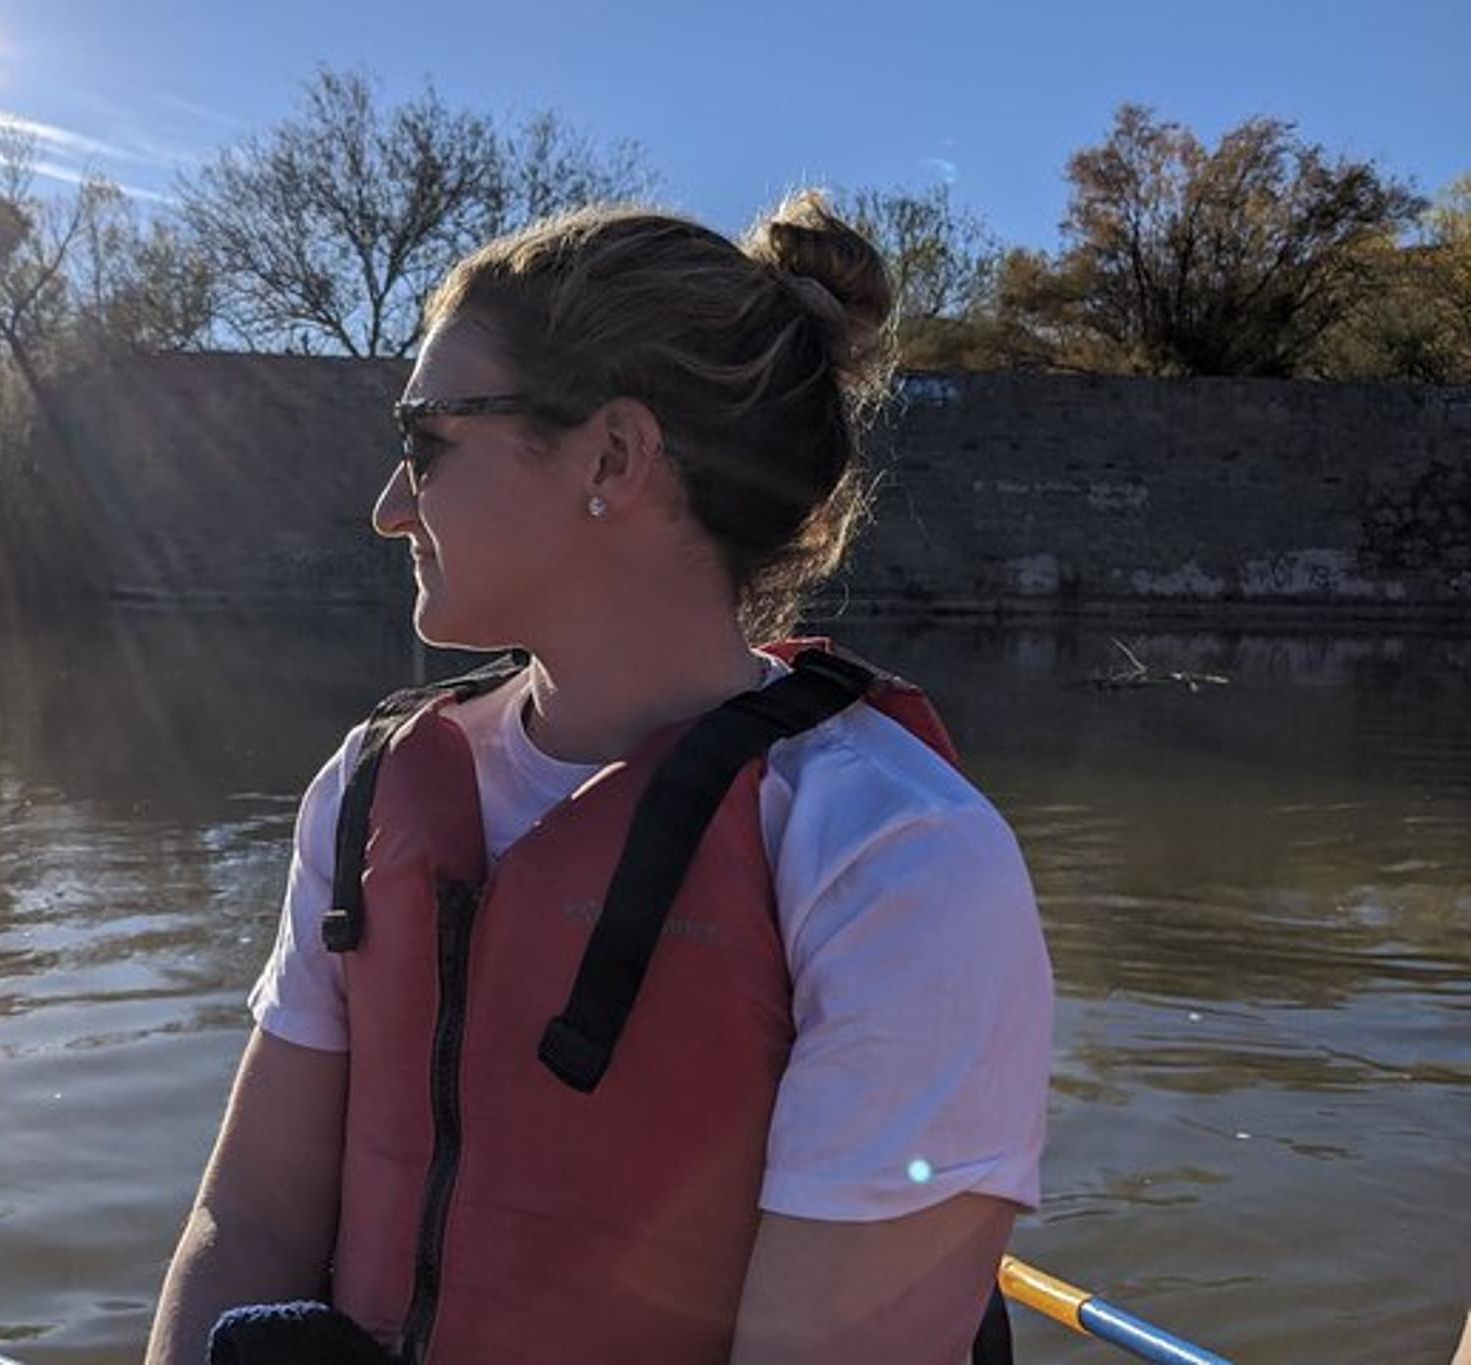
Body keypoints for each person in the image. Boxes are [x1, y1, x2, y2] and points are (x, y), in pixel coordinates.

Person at [145, 193, 1053, 1365]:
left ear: (612, 458)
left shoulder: (897, 862)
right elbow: (247, 1225)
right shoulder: (363, 787)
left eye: (426, 443)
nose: (386, 509)